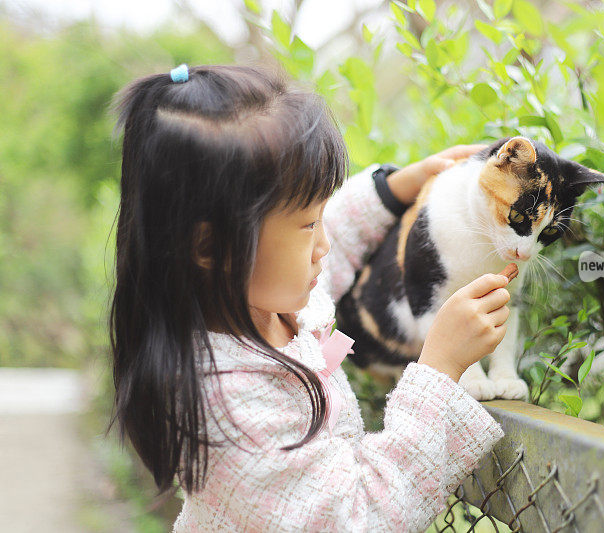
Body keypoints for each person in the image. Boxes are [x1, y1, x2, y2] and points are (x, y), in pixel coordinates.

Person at [108, 63, 511, 532]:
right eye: (306, 225)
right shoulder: (228, 409)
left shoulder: (267, 301)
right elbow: (358, 520)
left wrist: (394, 188)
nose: (324, 243)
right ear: (211, 247)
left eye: (320, 215)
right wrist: (440, 367)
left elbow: (328, 235)